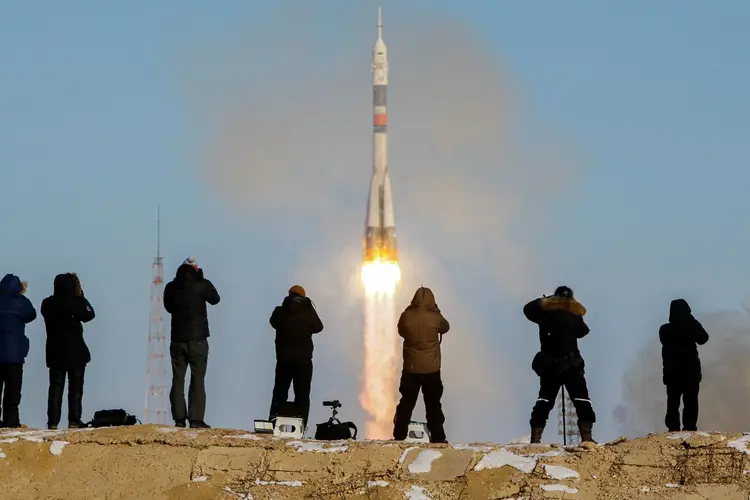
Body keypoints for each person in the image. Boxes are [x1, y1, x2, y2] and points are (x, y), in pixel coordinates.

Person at [524, 285, 596, 443]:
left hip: (550, 366)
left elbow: (527, 309)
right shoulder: (574, 314)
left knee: (544, 401)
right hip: (571, 364)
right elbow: (583, 332)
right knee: (582, 400)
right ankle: (587, 438)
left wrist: (545, 300)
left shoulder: (544, 314)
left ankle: (535, 439)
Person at [163, 257, 220, 429]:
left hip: (177, 339)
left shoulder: (171, 287)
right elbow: (215, 298)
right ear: (195, 269)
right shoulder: (201, 285)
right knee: (197, 378)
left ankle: (179, 418)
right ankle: (195, 419)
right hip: (197, 340)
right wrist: (200, 278)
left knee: (178, 378)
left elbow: (168, 307)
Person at [392, 287, 450, 444]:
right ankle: (438, 436)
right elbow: (446, 327)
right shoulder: (435, 317)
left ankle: (399, 434)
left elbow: (401, 331)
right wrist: (436, 310)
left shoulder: (407, 316)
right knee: (433, 404)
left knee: (407, 402)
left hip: (410, 368)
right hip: (431, 369)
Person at [40, 273, 95, 429]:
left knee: (55, 388)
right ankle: (74, 420)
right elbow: (90, 314)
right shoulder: (75, 303)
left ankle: (52, 422)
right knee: (76, 388)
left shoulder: (47, 303)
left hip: (55, 351)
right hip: (76, 352)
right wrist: (82, 297)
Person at [268, 285, 323, 428]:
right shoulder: (308, 311)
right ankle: (301, 425)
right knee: (302, 394)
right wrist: (308, 310)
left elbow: (273, 322)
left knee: (280, 392)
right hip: (304, 361)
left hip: (284, 359)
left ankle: (274, 423)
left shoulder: (280, 311)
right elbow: (318, 327)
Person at [659, 298, 709, 432]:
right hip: (689, 372)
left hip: (672, 372)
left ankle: (674, 428)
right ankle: (689, 428)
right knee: (690, 402)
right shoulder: (691, 325)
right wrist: (691, 320)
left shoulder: (665, 329)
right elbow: (703, 338)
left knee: (673, 402)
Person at [0, 275, 37, 428]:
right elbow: (31, 315)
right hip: (14, 353)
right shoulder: (22, 302)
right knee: (13, 388)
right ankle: (11, 420)